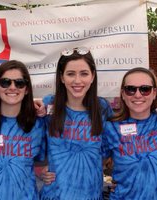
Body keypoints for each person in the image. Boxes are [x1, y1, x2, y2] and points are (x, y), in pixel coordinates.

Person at [39, 47, 112, 199]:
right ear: (62, 77)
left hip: (90, 194)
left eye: (84, 73)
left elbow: (109, 151)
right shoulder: (48, 105)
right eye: (71, 74)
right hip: (54, 194)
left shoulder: (103, 108)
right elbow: (29, 143)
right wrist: (38, 170)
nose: (77, 80)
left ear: (92, 76)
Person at [0, 60, 45, 199]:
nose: (12, 87)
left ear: (27, 89)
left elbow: (48, 159)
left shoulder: (38, 124)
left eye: (19, 83)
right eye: (5, 82)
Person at [102, 67, 157, 199]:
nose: (137, 94)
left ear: (154, 93)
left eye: (145, 89)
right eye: (131, 89)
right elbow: (93, 162)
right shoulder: (111, 128)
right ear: (123, 94)